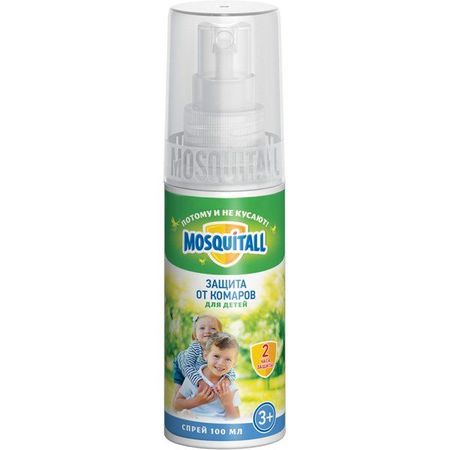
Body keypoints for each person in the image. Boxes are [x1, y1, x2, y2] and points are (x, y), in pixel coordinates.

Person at [172, 315, 236, 408]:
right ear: (195, 334)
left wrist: (226, 380)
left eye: (213, 328)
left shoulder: (220, 350)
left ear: (220, 334)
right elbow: (187, 366)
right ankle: (176, 410)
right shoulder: (195, 347)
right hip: (182, 367)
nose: (207, 331)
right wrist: (200, 381)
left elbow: (231, 370)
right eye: (202, 328)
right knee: (180, 391)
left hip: (200, 369)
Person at [173, 332, 240, 419]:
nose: (221, 363)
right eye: (216, 356)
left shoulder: (230, 386)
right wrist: (196, 401)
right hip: (193, 422)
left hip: (218, 425)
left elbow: (235, 418)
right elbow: (176, 405)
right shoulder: (193, 378)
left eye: (228, 359)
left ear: (234, 363)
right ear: (206, 356)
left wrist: (228, 403)